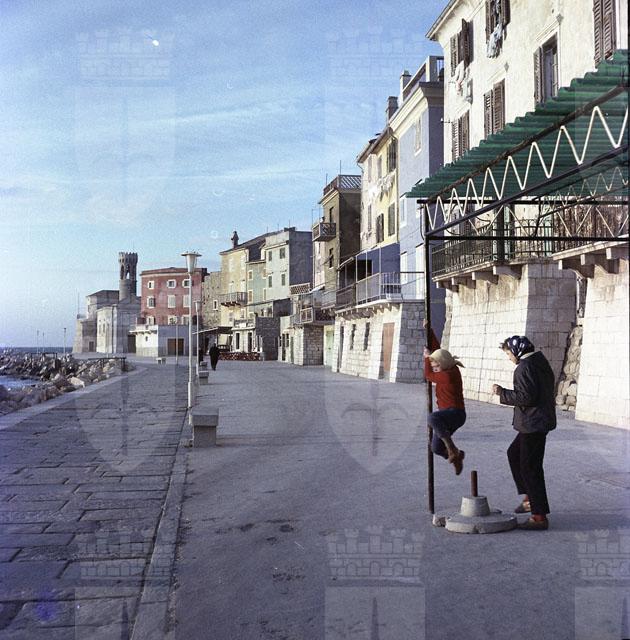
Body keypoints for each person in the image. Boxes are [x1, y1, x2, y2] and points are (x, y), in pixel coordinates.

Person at [492, 336, 556, 531]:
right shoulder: (539, 360)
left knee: (530, 468)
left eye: (509, 354)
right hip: (538, 421)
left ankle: (539, 516)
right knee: (514, 454)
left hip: (532, 423)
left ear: (517, 351)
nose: (509, 358)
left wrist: (502, 392)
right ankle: (529, 499)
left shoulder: (524, 367)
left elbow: (526, 397)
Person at [423, 321, 466, 475]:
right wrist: (429, 330)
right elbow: (437, 351)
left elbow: (428, 375)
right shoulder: (447, 367)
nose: (435, 370)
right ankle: (456, 456)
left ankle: (452, 449)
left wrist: (426, 358)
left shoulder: (449, 375)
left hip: (455, 413)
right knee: (435, 448)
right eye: (434, 368)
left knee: (432, 418)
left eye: (437, 367)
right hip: (447, 415)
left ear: (444, 364)